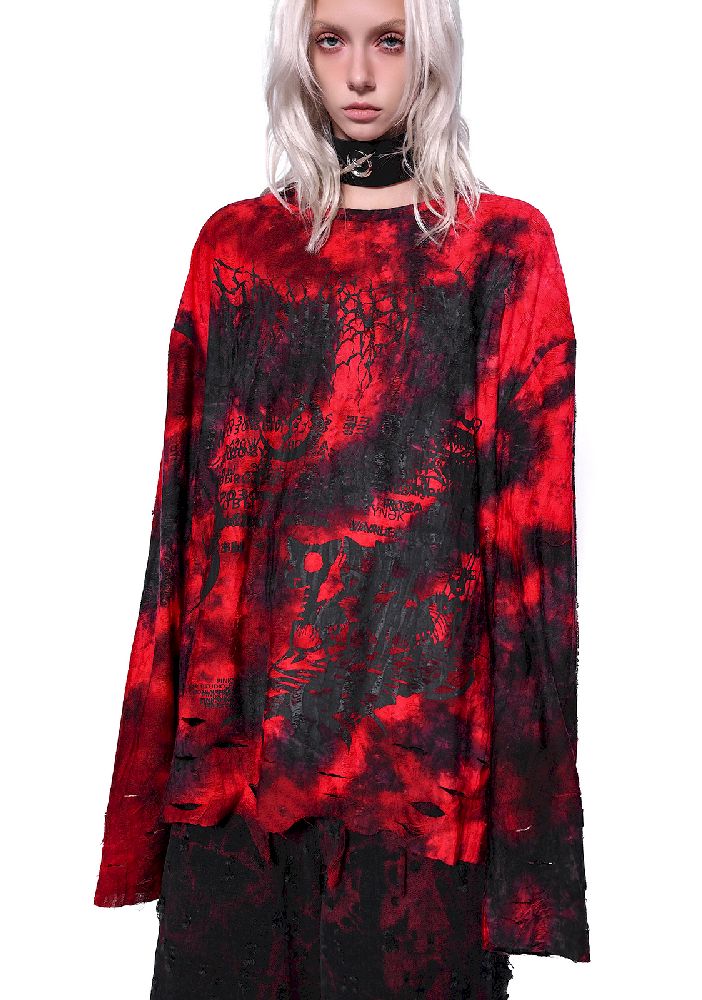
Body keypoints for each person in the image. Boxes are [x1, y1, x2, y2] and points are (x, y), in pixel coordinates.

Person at [94, 1, 590, 996]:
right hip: (245, 769)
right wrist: (158, 783)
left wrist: (528, 832)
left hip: (421, 778)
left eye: (388, 39)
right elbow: (182, 531)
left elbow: (535, 561)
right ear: (302, 55)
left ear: (430, 51)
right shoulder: (238, 251)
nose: (360, 73)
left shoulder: (502, 251)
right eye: (332, 40)